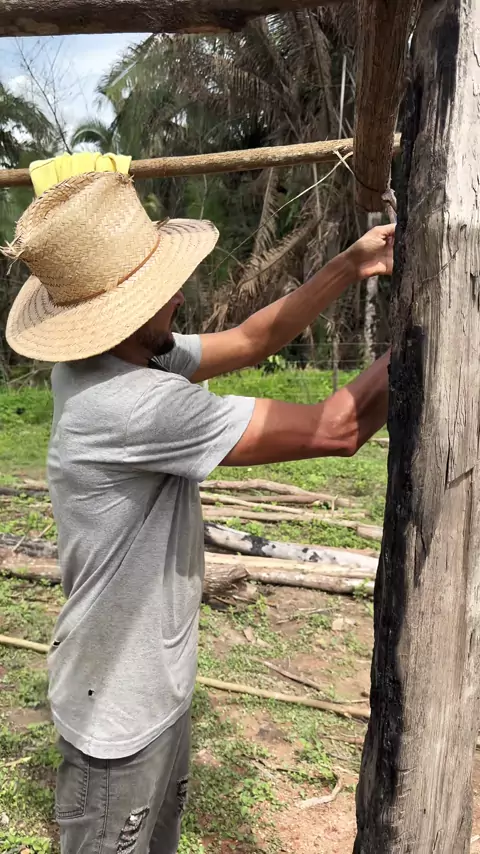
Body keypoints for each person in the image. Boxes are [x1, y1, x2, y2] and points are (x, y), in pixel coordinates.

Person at [5, 171, 393, 854]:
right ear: (121, 316)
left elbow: (248, 341)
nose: (179, 296)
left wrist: (348, 265)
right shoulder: (133, 405)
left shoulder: (108, 361)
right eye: (159, 291)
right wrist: (428, 328)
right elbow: (337, 429)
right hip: (117, 716)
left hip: (147, 686)